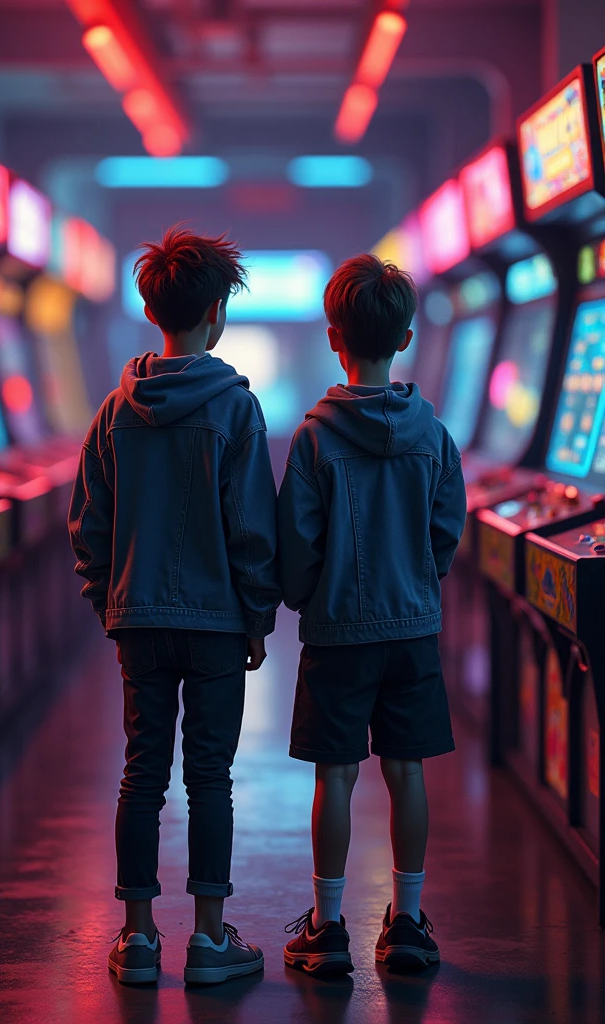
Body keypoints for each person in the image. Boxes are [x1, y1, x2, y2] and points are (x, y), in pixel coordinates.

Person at [68, 227, 280, 986]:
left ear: (152, 307)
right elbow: (253, 527)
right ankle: (211, 941)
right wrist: (258, 615)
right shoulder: (235, 409)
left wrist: (111, 600)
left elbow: (87, 523)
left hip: (141, 622)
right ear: (216, 312)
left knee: (141, 773)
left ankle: (138, 939)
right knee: (210, 777)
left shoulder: (114, 412)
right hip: (218, 623)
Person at [279, 254, 466, 975]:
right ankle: (409, 922)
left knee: (336, 775)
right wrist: (421, 581)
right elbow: (445, 531)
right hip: (412, 630)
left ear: (335, 338)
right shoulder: (435, 435)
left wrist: (304, 598)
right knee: (407, 772)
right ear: (407, 336)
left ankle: (327, 930)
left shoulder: (315, 438)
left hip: (337, 632)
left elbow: (298, 543)